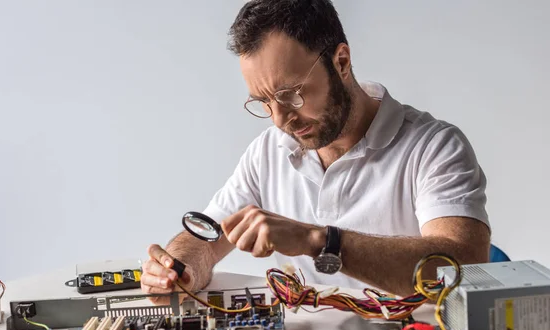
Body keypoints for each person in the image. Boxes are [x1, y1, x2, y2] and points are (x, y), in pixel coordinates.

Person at [142, 0, 490, 299]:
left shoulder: (434, 147)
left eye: (292, 94)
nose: (280, 120)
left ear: (341, 62)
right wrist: (178, 266)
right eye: (264, 102)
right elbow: (207, 238)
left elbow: (464, 265)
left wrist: (316, 240)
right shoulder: (269, 151)